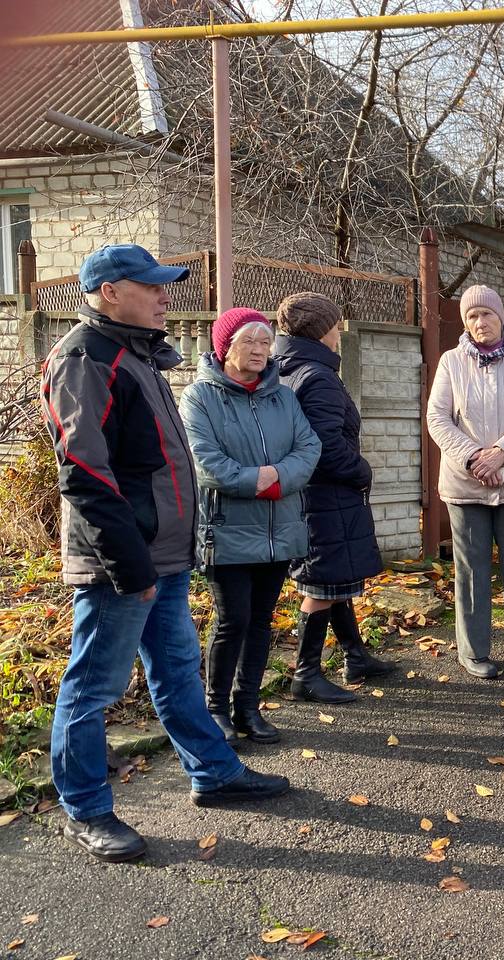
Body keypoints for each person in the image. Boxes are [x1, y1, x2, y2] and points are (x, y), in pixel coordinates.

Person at [40, 244, 289, 862]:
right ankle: (87, 809)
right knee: (93, 688)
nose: (165, 297)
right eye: (150, 287)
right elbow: (84, 472)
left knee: (178, 671)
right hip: (122, 565)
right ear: (108, 291)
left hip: (164, 557)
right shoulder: (84, 358)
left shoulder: (136, 354)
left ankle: (212, 771)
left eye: (163, 286)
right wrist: (130, 568)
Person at [180, 308, 321, 743]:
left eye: (265, 342)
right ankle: (215, 707)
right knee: (232, 620)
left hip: (280, 530)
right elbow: (206, 463)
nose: (260, 349)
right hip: (227, 529)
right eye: (250, 341)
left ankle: (247, 706)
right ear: (225, 347)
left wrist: (277, 478)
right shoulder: (200, 397)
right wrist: (261, 480)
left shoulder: (282, 395)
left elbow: (309, 447)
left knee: (260, 620)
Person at [273, 292, 393, 703]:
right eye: (336, 325)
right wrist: (362, 471)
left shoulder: (286, 368)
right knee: (321, 584)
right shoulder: (317, 375)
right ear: (324, 330)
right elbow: (325, 445)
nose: (340, 332)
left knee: (334, 575)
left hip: (307, 493)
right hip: (325, 494)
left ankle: (355, 655)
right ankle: (306, 673)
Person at [426, 285, 504, 678]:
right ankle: (474, 651)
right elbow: (438, 419)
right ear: (465, 323)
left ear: (501, 317)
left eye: (487, 314)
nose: (481, 322)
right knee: (471, 570)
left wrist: (501, 452)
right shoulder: (451, 362)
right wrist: (475, 458)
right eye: (472, 316)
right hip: (466, 485)